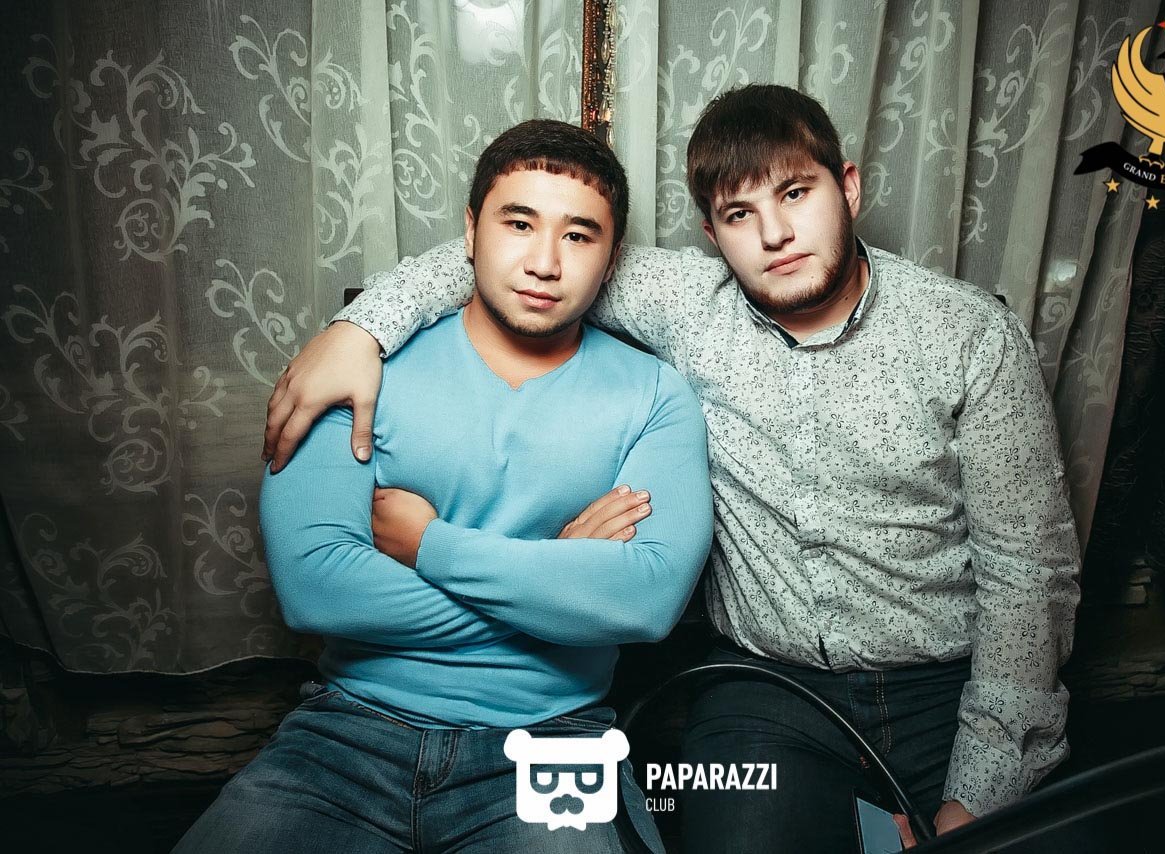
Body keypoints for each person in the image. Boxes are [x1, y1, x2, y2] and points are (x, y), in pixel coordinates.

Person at [263, 85, 1082, 852]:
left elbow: (1029, 574)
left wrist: (974, 803)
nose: (774, 234)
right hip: (770, 691)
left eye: (797, 194)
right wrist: (359, 327)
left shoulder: (968, 335)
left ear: (849, 187)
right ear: (711, 235)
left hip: (951, 685)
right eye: (739, 213)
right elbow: (514, 251)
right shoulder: (687, 302)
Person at [177, 119, 714, 854]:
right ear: (470, 231)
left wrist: (429, 544)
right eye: (518, 224)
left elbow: (645, 601)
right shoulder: (359, 369)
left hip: (553, 742)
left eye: (578, 235)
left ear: (611, 257)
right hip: (348, 732)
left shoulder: (655, 396)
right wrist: (560, 585)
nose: (545, 262)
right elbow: (315, 588)